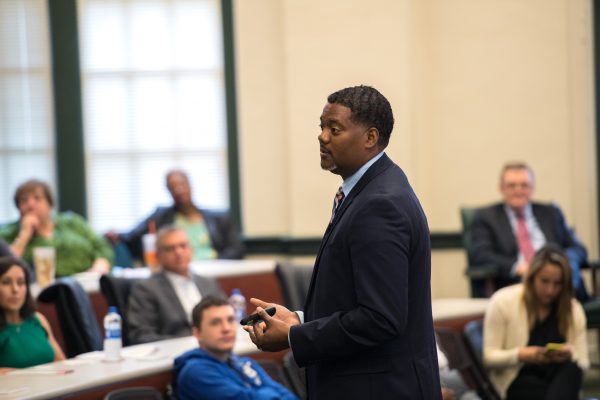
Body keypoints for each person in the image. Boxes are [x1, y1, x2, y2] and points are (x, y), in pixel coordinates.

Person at [243, 85, 441, 399]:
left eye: (334, 129)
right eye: (321, 127)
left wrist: (296, 336)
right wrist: (300, 320)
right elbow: (357, 300)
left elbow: (381, 318)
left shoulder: (379, 204)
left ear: (370, 138)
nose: (322, 137)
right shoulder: (374, 189)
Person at [470, 162, 589, 300]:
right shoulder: (486, 217)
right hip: (518, 284)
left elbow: (579, 248)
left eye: (524, 185)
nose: (518, 190)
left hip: (561, 282)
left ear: (532, 188)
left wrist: (563, 262)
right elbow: (481, 255)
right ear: (501, 188)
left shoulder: (551, 213)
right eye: (512, 185)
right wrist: (517, 267)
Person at [483, 244, 588, 399]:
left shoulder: (573, 309)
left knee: (572, 369)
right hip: (519, 378)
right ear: (532, 277)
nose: (550, 290)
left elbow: (583, 361)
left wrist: (569, 353)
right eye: (544, 281)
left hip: (557, 378)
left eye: (557, 283)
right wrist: (522, 355)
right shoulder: (502, 302)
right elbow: (488, 357)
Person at [173, 296, 298, 400]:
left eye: (230, 320)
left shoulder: (246, 363)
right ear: (197, 333)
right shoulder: (194, 372)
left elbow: (286, 395)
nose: (226, 328)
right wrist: (267, 393)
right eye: (215, 322)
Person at [107, 169, 245, 263]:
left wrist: (216, 262)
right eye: (172, 187)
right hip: (178, 270)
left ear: (189, 185)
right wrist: (116, 236)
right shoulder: (161, 216)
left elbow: (237, 249)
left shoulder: (219, 218)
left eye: (181, 184)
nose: (178, 190)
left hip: (215, 269)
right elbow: (132, 236)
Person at [127, 226, 224, 344]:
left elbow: (228, 319)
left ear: (191, 249)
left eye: (183, 246)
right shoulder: (146, 289)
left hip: (216, 349)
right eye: (170, 249)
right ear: (158, 255)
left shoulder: (208, 283)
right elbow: (142, 336)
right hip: (175, 355)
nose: (178, 252)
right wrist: (189, 342)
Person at [0, 179, 113, 277]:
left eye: (37, 198)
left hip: (89, 282)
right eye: (24, 200)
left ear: (50, 204)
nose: (30, 204)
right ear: (18, 207)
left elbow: (102, 246)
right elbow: (6, 266)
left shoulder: (72, 222)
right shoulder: (9, 233)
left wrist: (100, 265)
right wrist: (24, 235)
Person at [0, 256, 65, 373]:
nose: (15, 290)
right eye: (6, 282)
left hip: (53, 388)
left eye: (21, 283)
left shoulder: (38, 319)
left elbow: (62, 363)